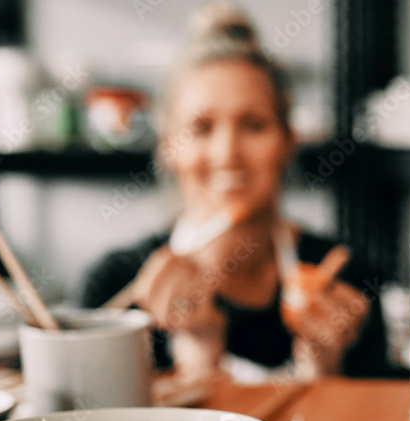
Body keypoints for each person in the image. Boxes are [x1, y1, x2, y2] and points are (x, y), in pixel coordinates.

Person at [79, 3, 388, 380]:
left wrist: (328, 366)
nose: (227, 153)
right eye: (202, 127)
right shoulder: (115, 289)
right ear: (168, 147)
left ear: (288, 141)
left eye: (254, 125)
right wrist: (195, 359)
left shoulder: (346, 281)